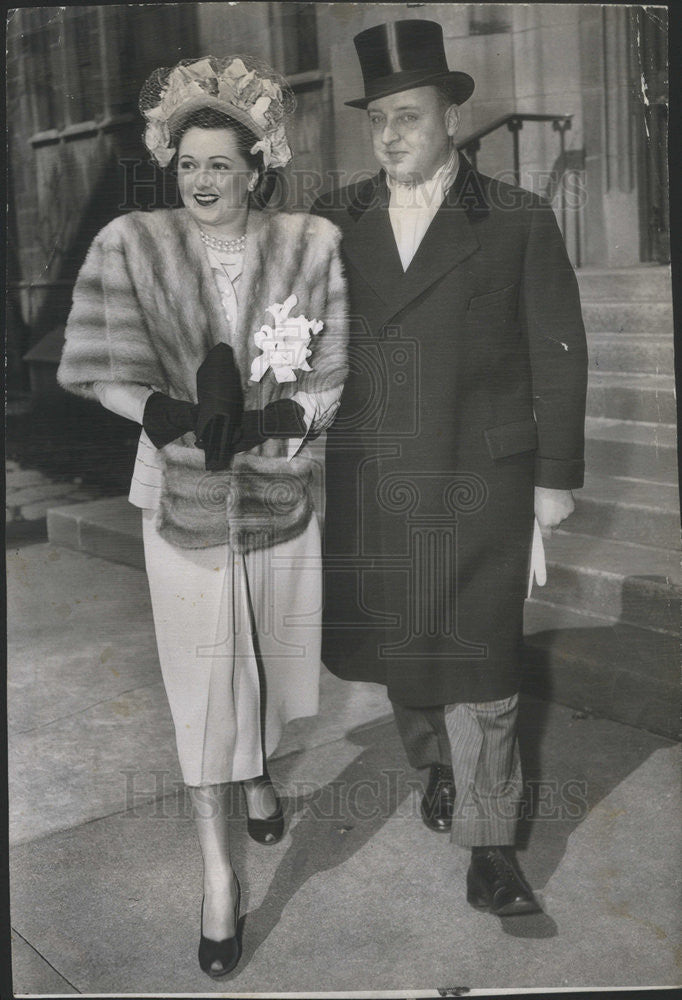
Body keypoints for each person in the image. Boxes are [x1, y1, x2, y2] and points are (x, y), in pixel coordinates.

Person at [57, 54, 347, 976]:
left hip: (277, 489)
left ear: (258, 166)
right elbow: (101, 369)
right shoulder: (130, 246)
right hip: (178, 493)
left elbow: (334, 370)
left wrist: (291, 417)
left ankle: (259, 772)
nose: (204, 182)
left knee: (260, 655)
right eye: (189, 166)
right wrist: (165, 413)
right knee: (201, 685)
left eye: (222, 164)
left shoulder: (311, 245)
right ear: (168, 167)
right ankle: (219, 879)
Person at [312, 20, 587, 916]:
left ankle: (492, 845)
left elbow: (560, 354)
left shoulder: (515, 218)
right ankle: (435, 768)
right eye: (379, 119)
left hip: (482, 477)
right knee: (407, 649)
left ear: (452, 119)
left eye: (411, 116)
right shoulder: (334, 220)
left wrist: (555, 480)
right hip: (379, 474)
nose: (392, 135)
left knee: (485, 662)